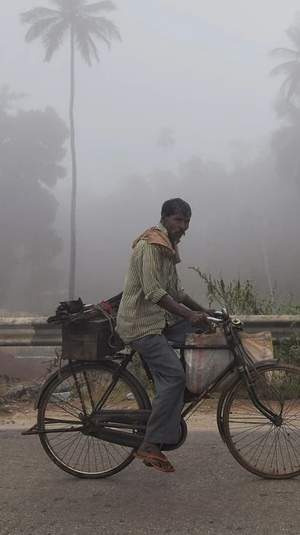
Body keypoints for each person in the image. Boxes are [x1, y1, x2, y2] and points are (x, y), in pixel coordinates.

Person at [116, 197, 211, 473]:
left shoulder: (168, 248)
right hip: (140, 324)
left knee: (202, 329)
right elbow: (154, 292)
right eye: (178, 220)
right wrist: (187, 315)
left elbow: (177, 291)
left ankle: (177, 398)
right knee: (174, 376)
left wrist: (203, 312)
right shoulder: (150, 246)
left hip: (160, 320)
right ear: (164, 218)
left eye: (186, 222)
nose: (182, 226)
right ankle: (150, 444)